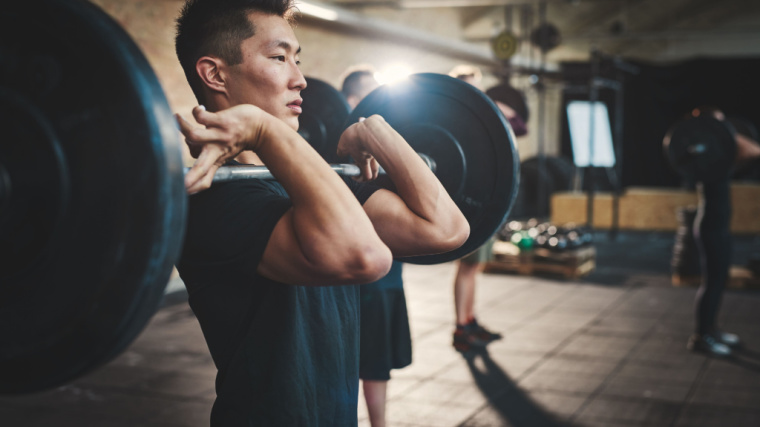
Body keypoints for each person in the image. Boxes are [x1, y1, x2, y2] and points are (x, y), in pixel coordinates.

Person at [173, 1, 470, 425]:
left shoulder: (317, 185)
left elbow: (446, 229)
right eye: (278, 58)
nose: (299, 79)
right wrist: (263, 129)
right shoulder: (210, 202)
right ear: (215, 74)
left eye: (297, 59)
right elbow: (366, 257)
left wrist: (375, 130)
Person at [340, 65, 412, 427]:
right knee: (349, 362)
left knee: (377, 363)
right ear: (351, 101)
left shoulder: (388, 148)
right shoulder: (336, 154)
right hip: (353, 279)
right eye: (368, 96)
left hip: (388, 277)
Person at [448, 65, 528, 353]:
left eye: (478, 89)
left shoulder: (480, 116)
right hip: (468, 204)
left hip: (485, 200)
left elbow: (520, 126)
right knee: (467, 268)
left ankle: (468, 320)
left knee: (474, 267)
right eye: (471, 89)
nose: (477, 95)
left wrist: (489, 103)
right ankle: (461, 327)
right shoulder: (456, 120)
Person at [684, 106, 760, 357]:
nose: (725, 127)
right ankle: (701, 337)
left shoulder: (720, 154)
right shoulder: (709, 155)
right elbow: (752, 149)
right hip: (710, 227)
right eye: (719, 123)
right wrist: (721, 133)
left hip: (717, 225)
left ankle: (712, 330)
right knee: (712, 283)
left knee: (718, 281)